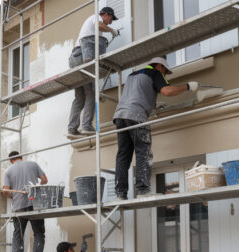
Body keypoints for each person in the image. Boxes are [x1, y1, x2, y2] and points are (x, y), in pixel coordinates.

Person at [113, 56, 198, 199]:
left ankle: (120, 194)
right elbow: (167, 91)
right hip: (137, 116)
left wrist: (153, 105)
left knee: (123, 156)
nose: (165, 75)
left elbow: (136, 95)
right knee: (143, 152)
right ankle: (143, 191)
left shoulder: (132, 76)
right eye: (166, 72)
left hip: (120, 116)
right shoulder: (155, 73)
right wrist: (188, 86)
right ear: (160, 66)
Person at [67, 7, 120, 136]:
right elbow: (99, 25)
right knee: (91, 93)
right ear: (106, 14)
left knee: (80, 97)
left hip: (74, 58)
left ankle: (72, 128)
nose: (111, 22)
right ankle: (86, 125)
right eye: (111, 18)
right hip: (82, 56)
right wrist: (112, 31)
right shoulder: (95, 17)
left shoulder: (95, 31)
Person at [2, 151, 47, 252]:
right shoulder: (33, 164)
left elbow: (5, 191)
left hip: (19, 206)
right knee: (39, 233)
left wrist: (13, 197)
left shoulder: (8, 171)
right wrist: (37, 189)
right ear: (21, 157)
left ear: (11, 160)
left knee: (18, 234)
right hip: (35, 203)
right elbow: (44, 180)